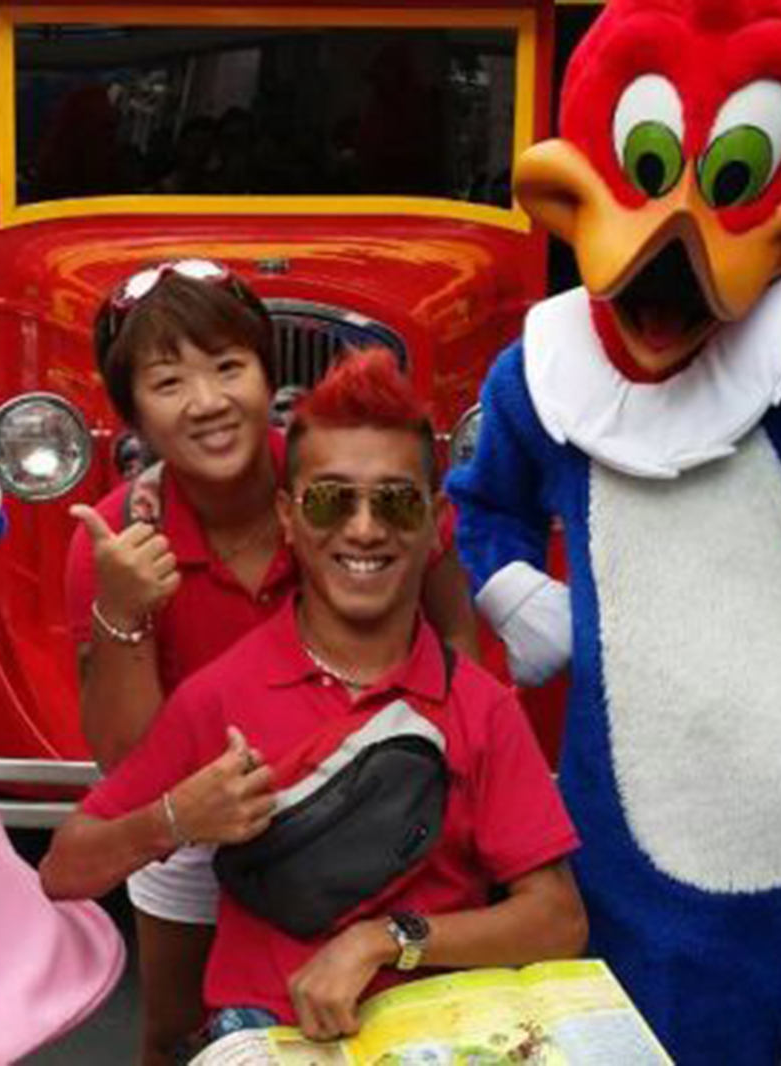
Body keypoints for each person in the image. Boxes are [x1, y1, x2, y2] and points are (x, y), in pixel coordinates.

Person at [43, 349, 586, 1051]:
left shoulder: (479, 706)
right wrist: (177, 817)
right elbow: (66, 868)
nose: (363, 529)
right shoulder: (223, 695)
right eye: (331, 500)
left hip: (445, 1032)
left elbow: (557, 920)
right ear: (289, 518)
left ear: (433, 524)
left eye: (394, 500)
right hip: (270, 1035)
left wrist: (384, 942)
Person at [65, 261, 479, 1064]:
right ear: (133, 416)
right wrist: (121, 609)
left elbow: (456, 628)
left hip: (371, 786)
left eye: (229, 366)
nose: (209, 401)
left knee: (389, 1013)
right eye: (168, 380)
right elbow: (125, 766)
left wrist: (455, 774)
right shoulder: (118, 540)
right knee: (179, 1031)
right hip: (197, 805)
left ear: (266, 373)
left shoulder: (340, 479)